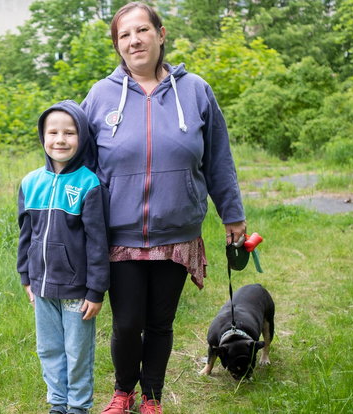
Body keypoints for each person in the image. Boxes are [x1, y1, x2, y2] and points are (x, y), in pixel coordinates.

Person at [80, 2, 247, 413]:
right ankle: (123, 392)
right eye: (124, 35)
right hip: (120, 235)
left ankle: (152, 397)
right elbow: (82, 167)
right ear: (117, 45)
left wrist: (233, 214)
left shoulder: (195, 90)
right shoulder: (101, 96)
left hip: (177, 234)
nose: (134, 40)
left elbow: (218, 159)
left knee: (159, 323)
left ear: (160, 33)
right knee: (126, 323)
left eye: (141, 31)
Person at [17, 100, 110, 414]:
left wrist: (95, 291)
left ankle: (79, 407)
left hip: (77, 290)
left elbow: (98, 243)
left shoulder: (89, 183)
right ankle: (57, 404)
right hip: (42, 287)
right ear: (42, 137)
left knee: (76, 351)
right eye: (52, 132)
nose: (60, 139)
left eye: (69, 133)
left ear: (81, 138)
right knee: (49, 349)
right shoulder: (30, 183)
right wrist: (26, 277)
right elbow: (25, 236)